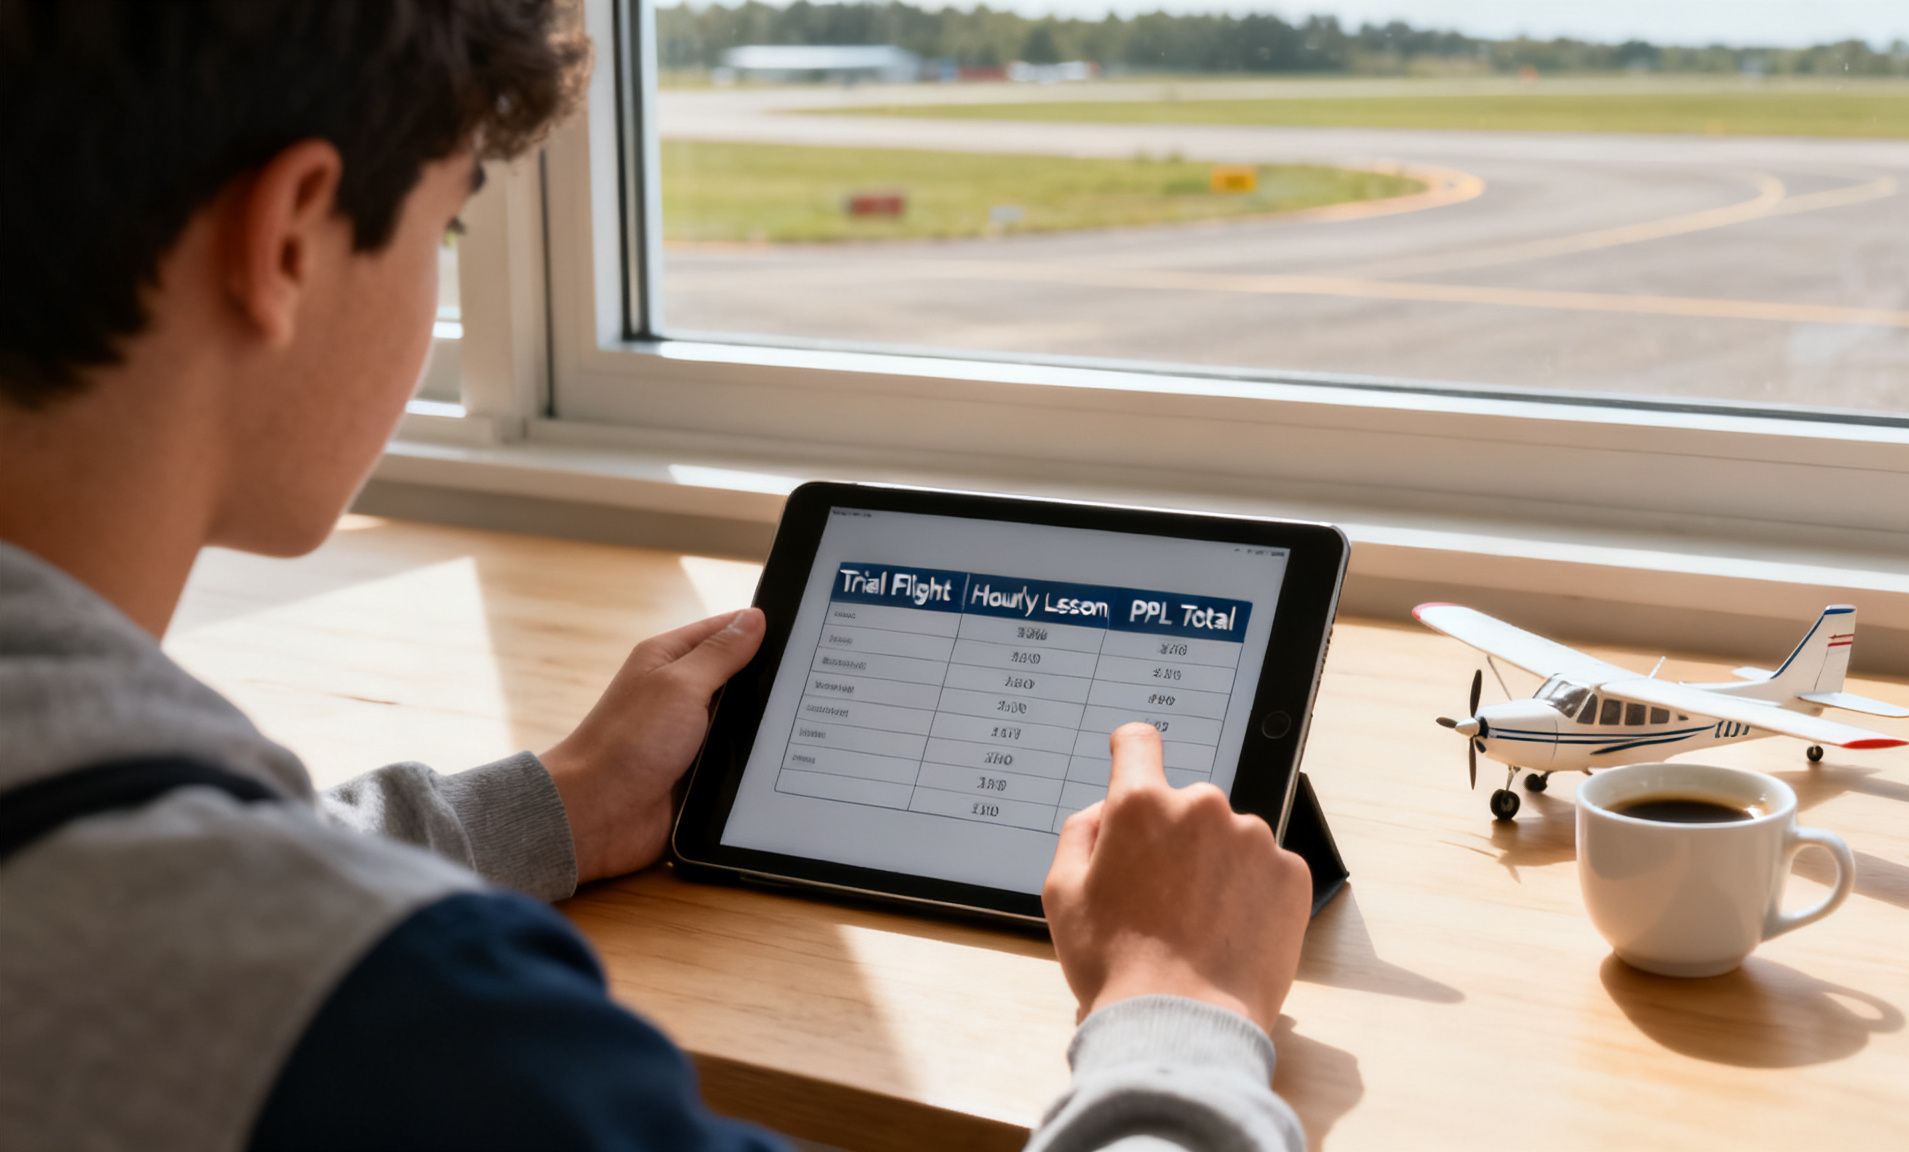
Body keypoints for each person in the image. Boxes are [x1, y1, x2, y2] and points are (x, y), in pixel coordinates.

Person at [0, 3, 1315, 1150]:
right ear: (287, 239)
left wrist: (552, 805)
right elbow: (232, 932)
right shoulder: (376, 1023)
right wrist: (1179, 1008)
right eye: (447, 230)